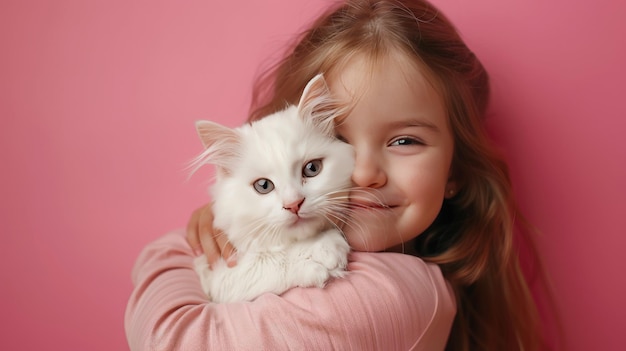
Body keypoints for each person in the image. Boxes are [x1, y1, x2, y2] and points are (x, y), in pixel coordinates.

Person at [126, 0, 554, 350]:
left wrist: (173, 251)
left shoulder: (389, 296)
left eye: (405, 141)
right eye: (340, 138)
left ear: (455, 172)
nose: (365, 173)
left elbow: (171, 340)